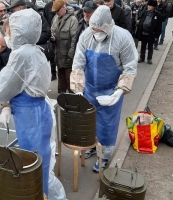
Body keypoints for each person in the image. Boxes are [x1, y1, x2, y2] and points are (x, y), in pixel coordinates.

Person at [0, 9, 66, 200]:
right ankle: (46, 193)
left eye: (9, 31)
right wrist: (8, 105)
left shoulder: (21, 55)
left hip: (30, 118)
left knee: (32, 165)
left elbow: (0, 90)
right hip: (39, 113)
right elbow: (21, 85)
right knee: (40, 161)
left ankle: (39, 194)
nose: (7, 36)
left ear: (19, 31)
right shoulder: (35, 50)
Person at [70, 5, 138, 172]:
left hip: (111, 90)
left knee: (107, 125)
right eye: (94, 29)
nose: (97, 33)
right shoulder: (86, 35)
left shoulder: (123, 37)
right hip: (90, 89)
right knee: (89, 121)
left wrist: (120, 91)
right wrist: (78, 89)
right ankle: (91, 146)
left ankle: (104, 156)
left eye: (100, 30)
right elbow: (78, 62)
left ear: (108, 25)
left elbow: (130, 66)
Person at [51, 0, 78, 93]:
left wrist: (70, 55)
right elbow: (53, 31)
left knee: (70, 78)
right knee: (61, 79)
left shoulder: (73, 20)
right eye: (55, 11)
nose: (56, 13)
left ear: (63, 7)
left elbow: (74, 39)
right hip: (58, 54)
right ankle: (62, 98)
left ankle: (73, 98)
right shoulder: (55, 18)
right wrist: (53, 38)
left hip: (68, 54)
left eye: (57, 11)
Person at [137, 0, 162, 64]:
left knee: (150, 46)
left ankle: (149, 58)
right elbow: (141, 20)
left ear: (153, 6)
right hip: (143, 32)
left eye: (150, 6)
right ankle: (142, 57)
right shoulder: (145, 13)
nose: (148, 7)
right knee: (143, 46)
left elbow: (159, 26)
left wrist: (157, 35)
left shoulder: (157, 14)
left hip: (151, 33)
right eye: (148, 5)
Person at [43, 0, 58, 81]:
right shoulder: (48, 6)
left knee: (59, 54)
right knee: (52, 54)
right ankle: (53, 73)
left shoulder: (61, 4)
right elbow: (45, 19)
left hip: (59, 32)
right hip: (50, 33)